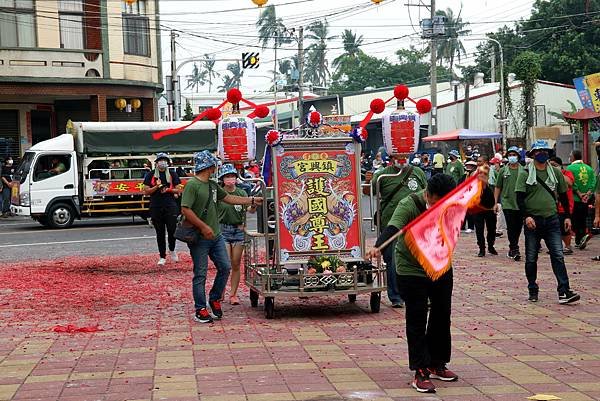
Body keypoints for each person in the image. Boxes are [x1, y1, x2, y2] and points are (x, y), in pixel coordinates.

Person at [367, 172, 494, 394]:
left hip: (440, 265)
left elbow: (487, 204)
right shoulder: (410, 204)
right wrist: (378, 246)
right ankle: (420, 370)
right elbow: (394, 227)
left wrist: (484, 185)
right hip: (411, 268)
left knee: (442, 315)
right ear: (428, 194)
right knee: (416, 317)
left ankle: (437, 363)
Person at [181, 150, 263, 323]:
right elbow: (185, 209)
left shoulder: (212, 185)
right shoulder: (192, 185)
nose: (215, 168)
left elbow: (229, 198)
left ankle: (215, 298)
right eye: (214, 165)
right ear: (208, 166)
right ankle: (200, 309)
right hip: (200, 237)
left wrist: (252, 200)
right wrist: (203, 227)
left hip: (216, 236)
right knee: (200, 273)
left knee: (225, 267)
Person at [515, 140, 580, 304]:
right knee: (531, 258)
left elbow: (564, 195)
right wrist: (526, 216)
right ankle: (532, 288)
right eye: (538, 151)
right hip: (533, 222)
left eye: (544, 151)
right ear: (533, 154)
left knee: (558, 255)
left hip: (552, 219)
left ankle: (564, 291)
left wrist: (566, 216)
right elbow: (520, 198)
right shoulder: (524, 173)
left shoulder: (556, 173)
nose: (541, 154)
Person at [370, 154, 427, 308]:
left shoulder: (418, 172)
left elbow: (427, 195)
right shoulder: (383, 174)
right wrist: (370, 179)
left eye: (405, 155)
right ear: (392, 157)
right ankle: (396, 296)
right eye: (398, 155)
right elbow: (370, 192)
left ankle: (421, 294)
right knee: (393, 260)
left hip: (416, 224)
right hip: (391, 225)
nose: (402, 158)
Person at [217, 164, 254, 305]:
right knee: (224, 263)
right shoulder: (219, 193)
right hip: (223, 230)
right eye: (227, 177)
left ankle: (233, 294)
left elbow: (249, 209)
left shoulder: (241, 193)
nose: (230, 179)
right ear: (222, 179)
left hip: (239, 231)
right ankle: (220, 291)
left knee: (236, 263)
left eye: (232, 176)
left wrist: (254, 204)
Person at [143, 153, 182, 266]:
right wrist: (156, 186)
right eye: (160, 160)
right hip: (156, 206)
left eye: (164, 160)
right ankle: (162, 256)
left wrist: (168, 190)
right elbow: (146, 191)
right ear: (156, 163)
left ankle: (172, 249)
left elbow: (179, 190)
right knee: (159, 232)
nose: (162, 163)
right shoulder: (151, 175)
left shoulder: (172, 174)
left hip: (170, 206)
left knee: (172, 230)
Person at [495, 147, 524, 261]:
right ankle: (514, 248)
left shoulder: (524, 170)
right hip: (507, 202)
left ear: (518, 156)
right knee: (511, 227)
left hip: (520, 203)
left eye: (514, 154)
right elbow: (498, 187)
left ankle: (513, 246)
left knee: (517, 227)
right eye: (510, 154)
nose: (512, 156)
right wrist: (495, 202)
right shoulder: (503, 170)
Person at [566, 150, 596, 250]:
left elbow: (571, 182)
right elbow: (593, 182)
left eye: (570, 156)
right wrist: (588, 193)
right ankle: (582, 238)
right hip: (586, 200)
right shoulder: (589, 168)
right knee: (583, 220)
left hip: (575, 199)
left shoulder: (570, 168)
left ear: (574, 157)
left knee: (575, 220)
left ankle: (579, 240)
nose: (569, 157)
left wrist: (579, 193)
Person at [549, 157, 575, 255]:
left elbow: (570, 182)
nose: (552, 167)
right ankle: (556, 246)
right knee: (555, 227)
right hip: (553, 205)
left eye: (554, 165)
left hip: (565, 205)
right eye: (550, 165)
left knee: (564, 226)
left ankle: (568, 246)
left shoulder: (566, 173)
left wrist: (558, 172)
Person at [473, 155, 497, 257]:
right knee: (479, 229)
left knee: (492, 228)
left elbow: (496, 186)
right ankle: (481, 248)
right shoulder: (474, 174)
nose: (478, 163)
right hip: (478, 205)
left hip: (490, 205)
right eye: (477, 162)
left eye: (480, 161)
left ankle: (491, 245)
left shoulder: (493, 173)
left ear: (486, 162)